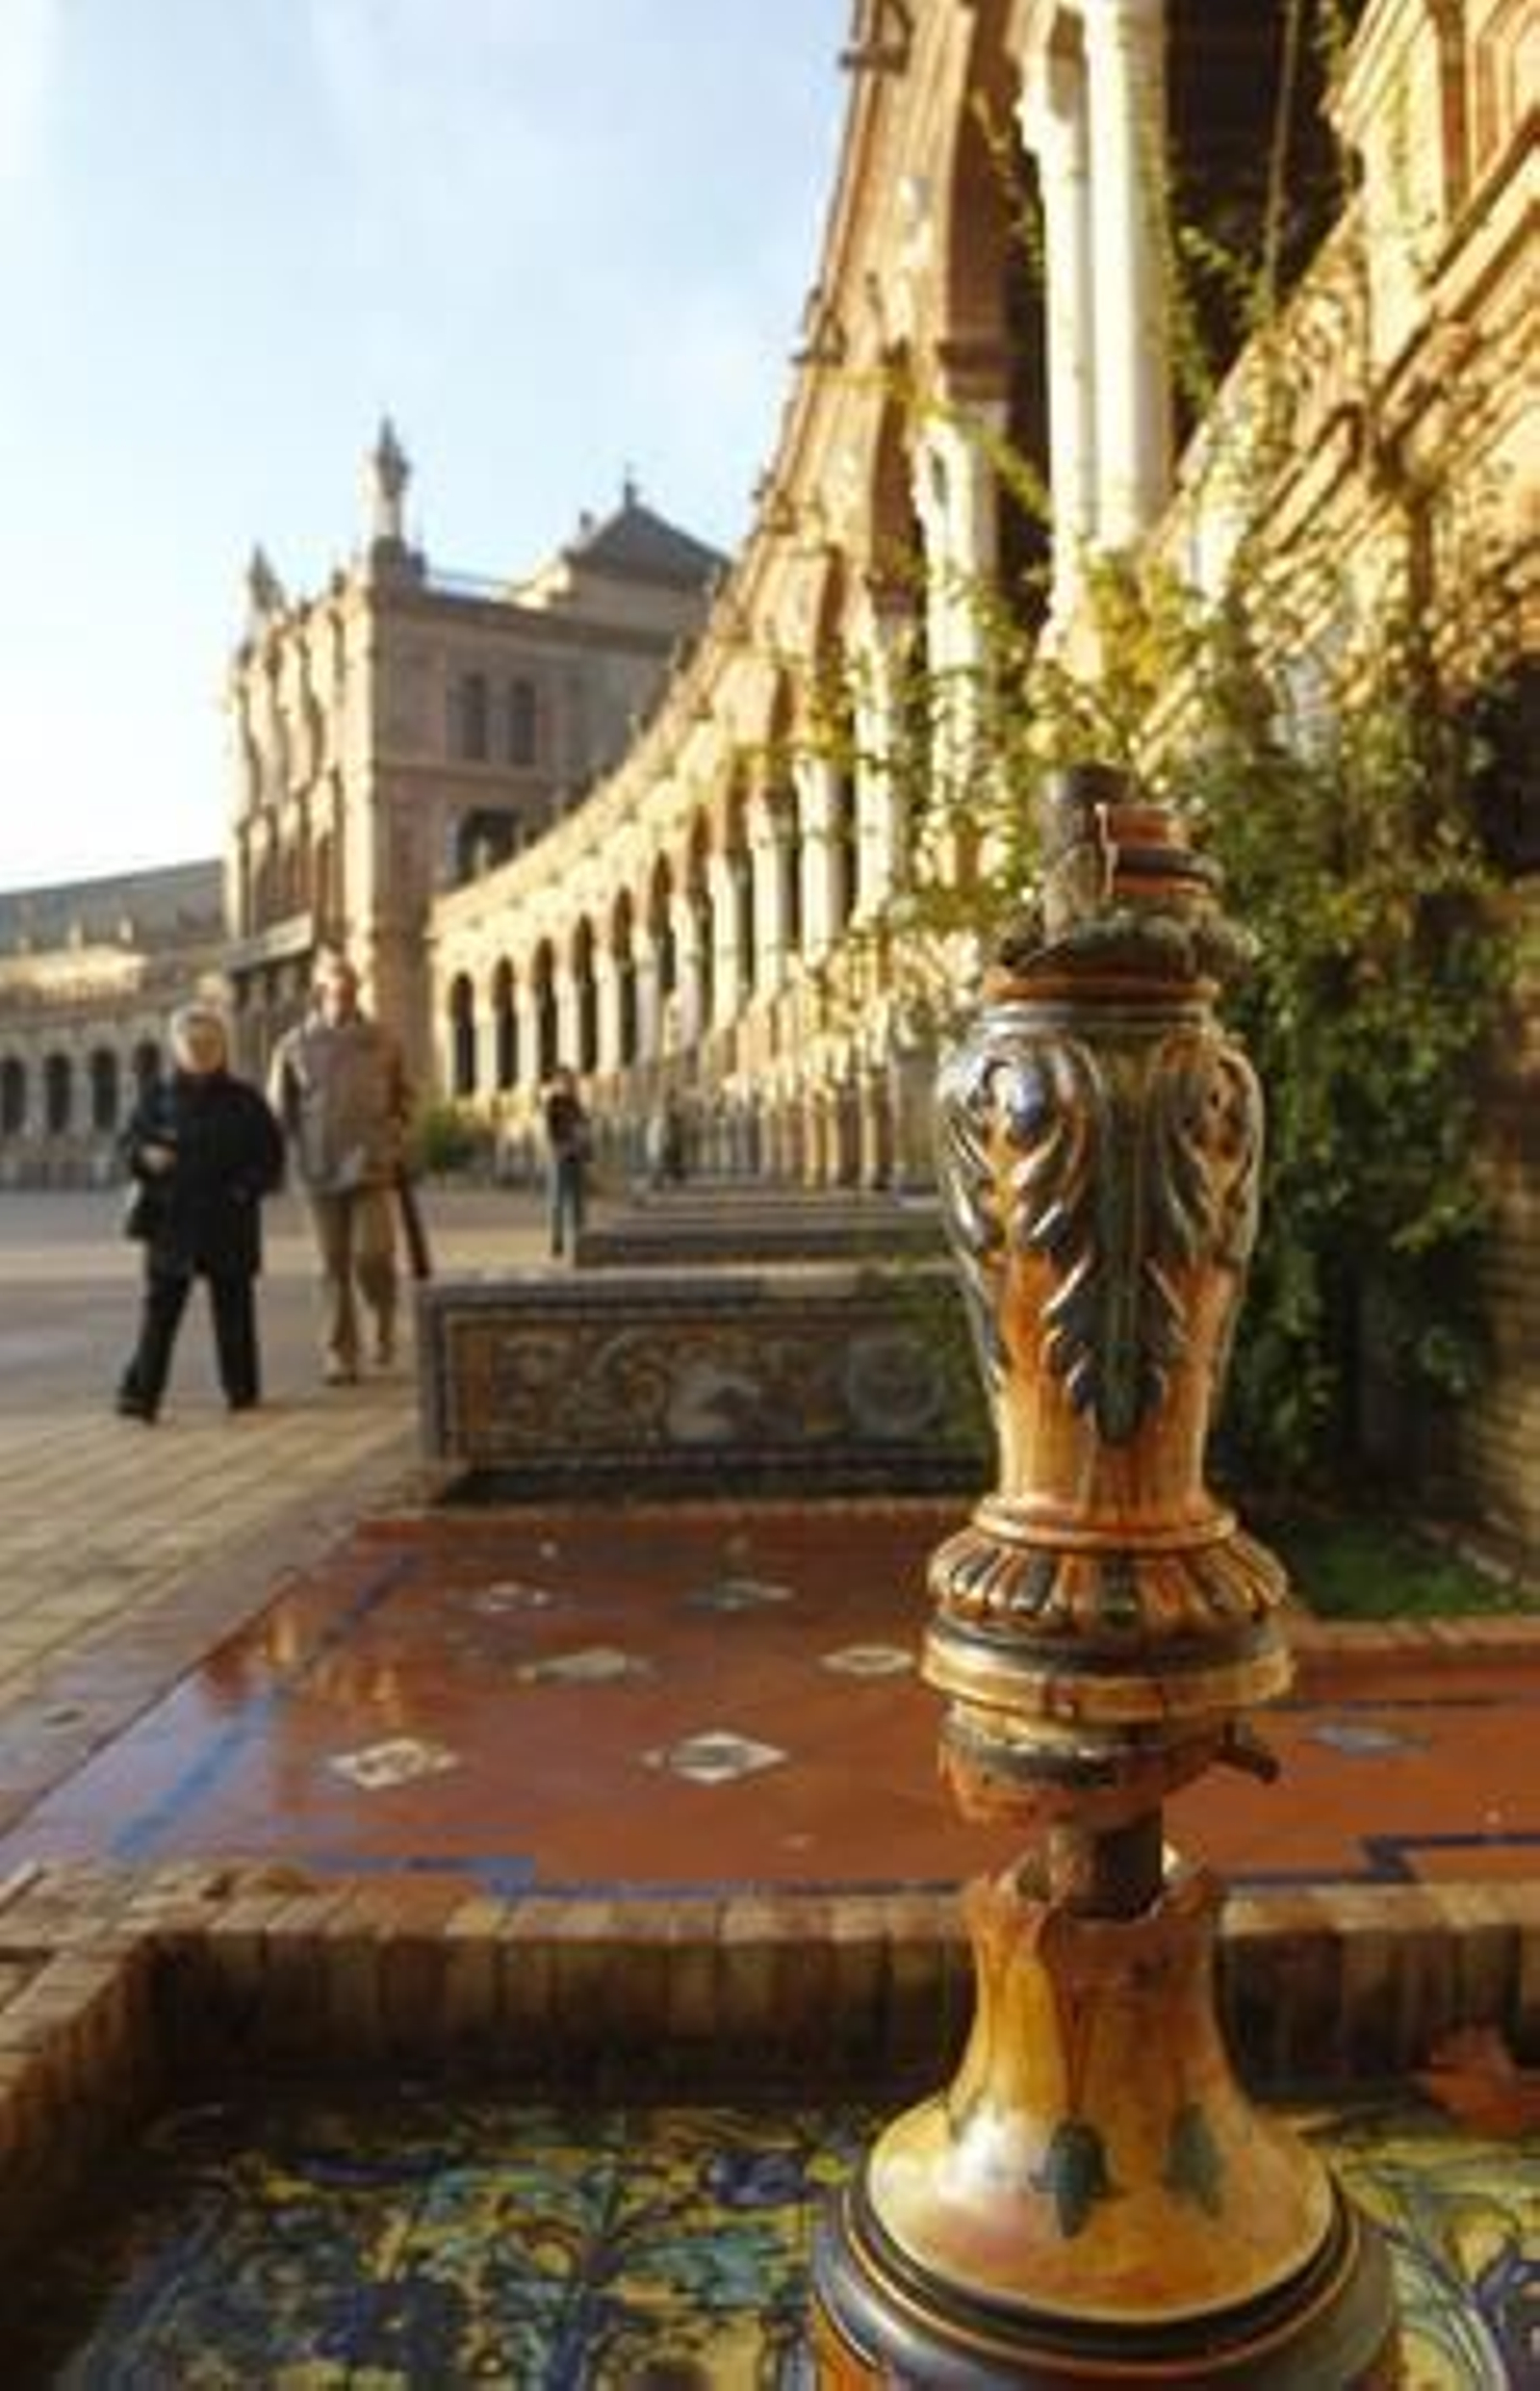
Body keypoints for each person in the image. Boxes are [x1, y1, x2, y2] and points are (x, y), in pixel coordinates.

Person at [116, 1003, 285, 1422]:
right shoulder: (158, 1096)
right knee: (160, 1314)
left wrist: (245, 1190)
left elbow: (271, 1159)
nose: (201, 1049)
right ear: (177, 1048)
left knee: (234, 1312)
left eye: (210, 1042)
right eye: (192, 1042)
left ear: (223, 1046)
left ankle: (242, 1392)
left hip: (229, 1219)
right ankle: (142, 1396)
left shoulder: (246, 1100)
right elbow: (126, 1145)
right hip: (171, 1222)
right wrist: (142, 1155)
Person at [270, 951, 410, 1384]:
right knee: (330, 1266)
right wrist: (286, 1154)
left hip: (370, 1165)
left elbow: (405, 1098)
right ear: (320, 992)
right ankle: (340, 1354)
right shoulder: (293, 1045)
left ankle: (383, 1314)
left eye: (351, 989)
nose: (345, 997)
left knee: (374, 1255)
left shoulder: (383, 1040)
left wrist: (394, 1136)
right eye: (336, 989)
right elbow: (279, 1107)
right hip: (318, 1169)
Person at [543, 1065, 592, 1258]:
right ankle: (557, 1241)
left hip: (576, 1157)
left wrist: (586, 1152)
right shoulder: (553, 1103)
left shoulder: (576, 1104)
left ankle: (581, 1240)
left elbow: (585, 1128)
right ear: (558, 1083)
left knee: (579, 1202)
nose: (571, 1085)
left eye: (572, 1081)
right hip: (559, 1157)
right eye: (566, 1081)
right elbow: (551, 1132)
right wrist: (563, 1145)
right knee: (557, 1202)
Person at [645, 1087, 687, 1190]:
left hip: (668, 1137)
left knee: (664, 1159)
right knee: (661, 1160)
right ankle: (659, 1180)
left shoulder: (667, 1108)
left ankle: (666, 1179)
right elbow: (668, 1122)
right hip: (666, 1138)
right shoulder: (665, 1110)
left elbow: (674, 1120)